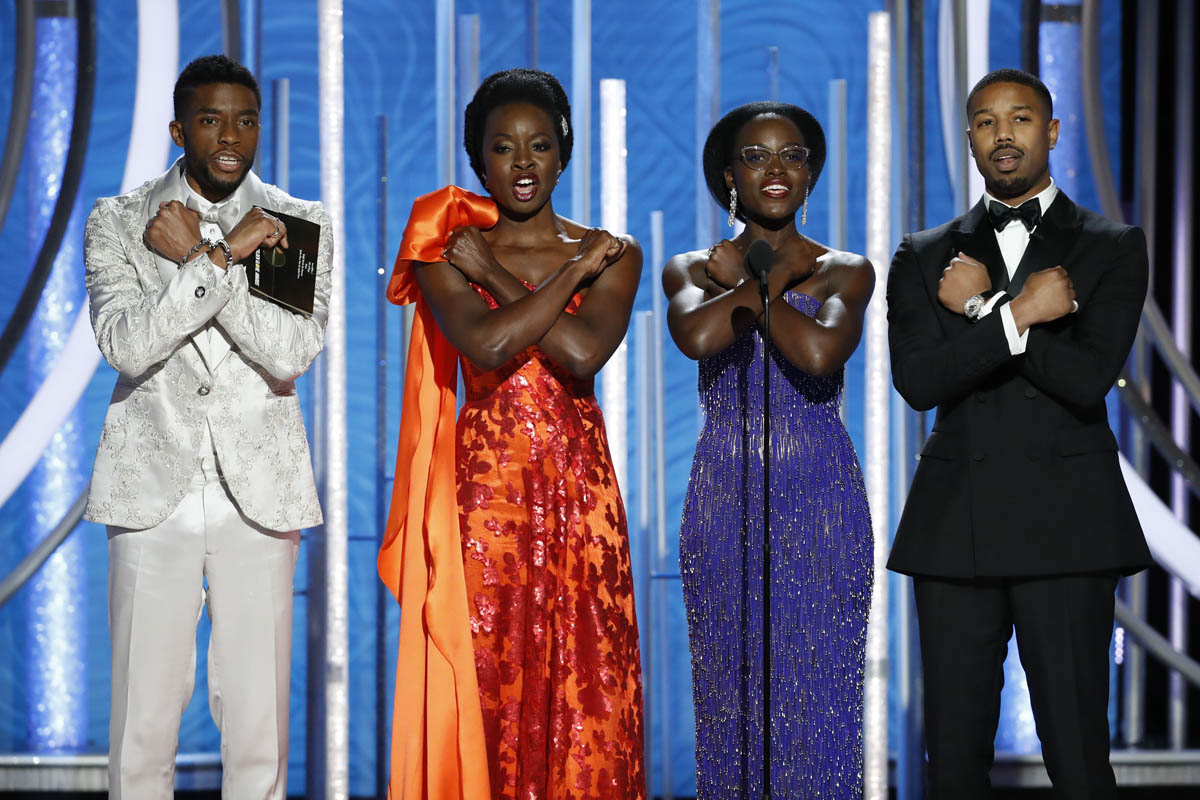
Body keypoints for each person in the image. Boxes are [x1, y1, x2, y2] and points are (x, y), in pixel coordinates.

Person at [378, 68, 646, 800]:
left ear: (564, 152)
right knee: (488, 675)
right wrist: (555, 276)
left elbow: (583, 353)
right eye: (503, 148)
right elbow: (488, 344)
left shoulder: (613, 253)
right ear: (479, 161)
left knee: (588, 686)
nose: (523, 163)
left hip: (580, 499)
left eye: (540, 145)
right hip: (485, 502)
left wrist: (500, 274)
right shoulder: (444, 249)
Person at [887, 68, 1152, 799]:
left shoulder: (1111, 245)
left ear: (1053, 132)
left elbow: (1086, 377)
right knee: (953, 761)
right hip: (955, 528)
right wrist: (1020, 313)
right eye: (985, 121)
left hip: (1069, 525)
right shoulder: (924, 253)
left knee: (1078, 756)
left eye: (1021, 118)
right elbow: (920, 382)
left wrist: (983, 311)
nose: (1003, 134)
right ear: (970, 138)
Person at [83, 54, 331, 799]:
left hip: (257, 494)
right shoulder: (120, 220)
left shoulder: (294, 223)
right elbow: (126, 345)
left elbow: (289, 352)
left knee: (259, 729)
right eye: (212, 119)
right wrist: (220, 257)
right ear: (178, 130)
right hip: (150, 491)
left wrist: (199, 257)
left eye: (246, 120)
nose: (230, 136)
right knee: (141, 725)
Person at [662, 102, 875, 798]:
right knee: (730, 699)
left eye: (791, 155)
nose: (774, 168)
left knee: (819, 698)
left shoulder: (845, 269)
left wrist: (752, 282)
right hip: (723, 501)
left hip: (822, 501)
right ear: (730, 176)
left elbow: (817, 354)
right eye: (754, 156)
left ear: (810, 174)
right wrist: (759, 280)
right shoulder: (690, 267)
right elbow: (698, 337)